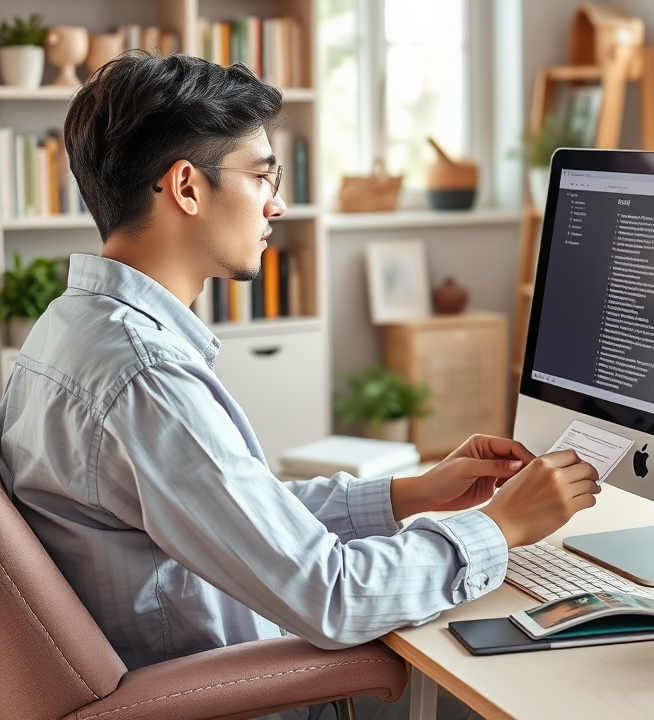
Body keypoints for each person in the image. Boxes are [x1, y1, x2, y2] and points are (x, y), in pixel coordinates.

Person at [0, 53, 600, 720]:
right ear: (186, 188)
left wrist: (410, 494)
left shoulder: (70, 328)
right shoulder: (144, 378)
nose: (277, 203)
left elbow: (236, 511)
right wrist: (500, 527)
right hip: (233, 696)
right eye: (261, 176)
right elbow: (333, 598)